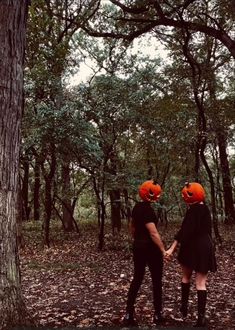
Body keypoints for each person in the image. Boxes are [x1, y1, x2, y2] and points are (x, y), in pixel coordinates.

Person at [166, 182, 217, 327]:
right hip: (205, 246)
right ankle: (201, 318)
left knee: (186, 277)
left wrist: (172, 248)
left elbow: (184, 231)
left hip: (191, 247)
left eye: (187, 194)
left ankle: (184, 307)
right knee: (201, 283)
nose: (184, 196)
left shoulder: (192, 211)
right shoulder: (206, 209)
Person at [122, 180, 168, 327]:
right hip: (151, 249)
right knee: (156, 281)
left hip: (138, 247)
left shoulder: (136, 207)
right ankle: (158, 314)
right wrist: (163, 250)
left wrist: (136, 240)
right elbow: (153, 233)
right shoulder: (148, 210)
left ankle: (128, 314)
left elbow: (132, 226)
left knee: (137, 278)